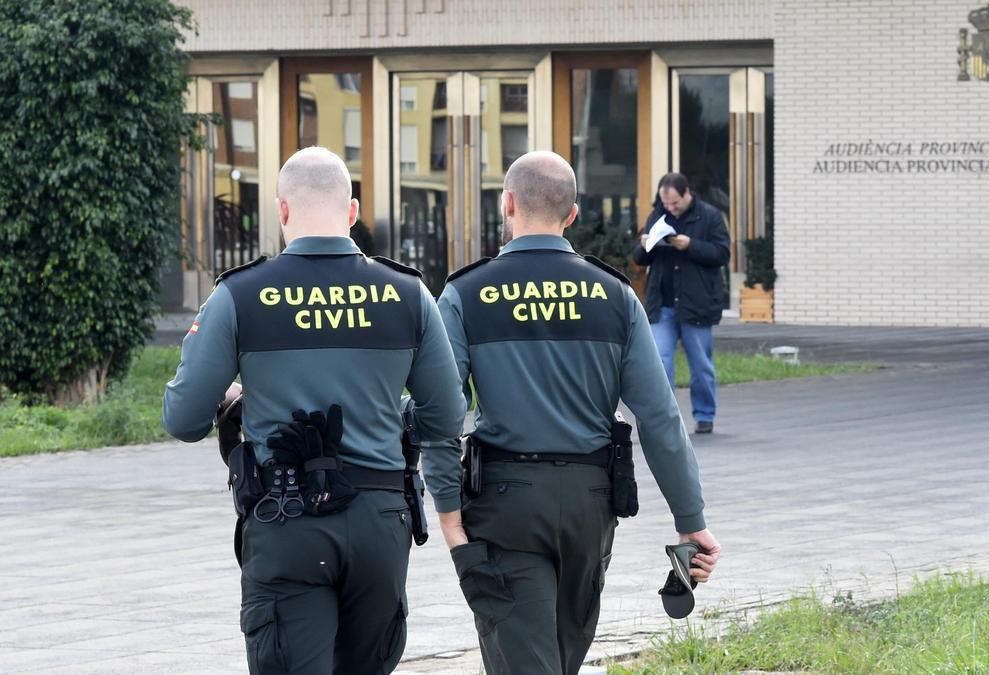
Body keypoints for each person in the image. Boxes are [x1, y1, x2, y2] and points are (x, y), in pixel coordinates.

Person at [162, 147, 466, 675]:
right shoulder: (408, 293)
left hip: (287, 519)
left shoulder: (240, 294)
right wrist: (392, 417)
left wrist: (234, 398)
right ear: (351, 212)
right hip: (379, 518)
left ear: (281, 211)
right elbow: (445, 417)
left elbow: (182, 418)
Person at [426, 151, 721, 674]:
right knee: (559, 657)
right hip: (590, 507)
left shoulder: (466, 292)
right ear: (573, 214)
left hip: (504, 505)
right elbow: (659, 418)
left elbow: (441, 410)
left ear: (508, 203)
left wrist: (448, 510)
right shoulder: (613, 294)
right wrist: (690, 520)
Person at [632, 173, 730, 434]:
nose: (670, 208)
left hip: (696, 303)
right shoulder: (657, 215)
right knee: (660, 362)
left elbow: (722, 253)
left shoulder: (709, 216)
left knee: (700, 364)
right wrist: (645, 245)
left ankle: (705, 415)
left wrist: (691, 245)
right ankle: (664, 418)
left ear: (687, 193)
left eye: (675, 203)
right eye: (666, 203)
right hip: (662, 302)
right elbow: (640, 258)